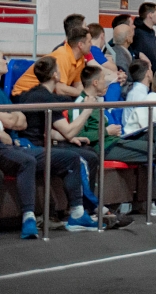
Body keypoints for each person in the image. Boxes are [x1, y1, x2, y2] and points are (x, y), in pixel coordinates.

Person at [78, 63, 156, 214]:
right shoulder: (80, 103)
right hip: (104, 147)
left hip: (115, 141)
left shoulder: (96, 101)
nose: (108, 82)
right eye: (105, 79)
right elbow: (78, 135)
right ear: (95, 82)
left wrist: (109, 132)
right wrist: (106, 131)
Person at [0, 76, 98, 235]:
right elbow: (9, 129)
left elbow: (22, 122)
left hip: (18, 145)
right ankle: (29, 218)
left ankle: (78, 214)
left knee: (71, 157)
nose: (5, 63)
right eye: (2, 60)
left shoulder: (2, 93)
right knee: (28, 161)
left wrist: (10, 124)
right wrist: (9, 125)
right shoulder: (39, 95)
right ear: (54, 74)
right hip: (8, 148)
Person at [10, 25, 93, 97]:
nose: (91, 44)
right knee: (65, 101)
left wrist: (84, 98)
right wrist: (85, 94)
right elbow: (60, 89)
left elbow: (78, 85)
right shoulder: (63, 56)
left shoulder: (80, 59)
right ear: (80, 45)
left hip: (44, 94)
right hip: (24, 93)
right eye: (89, 41)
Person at [131, 2, 156, 71]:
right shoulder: (136, 32)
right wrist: (138, 54)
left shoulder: (152, 32)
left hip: (153, 72)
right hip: (142, 72)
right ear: (150, 15)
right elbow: (128, 49)